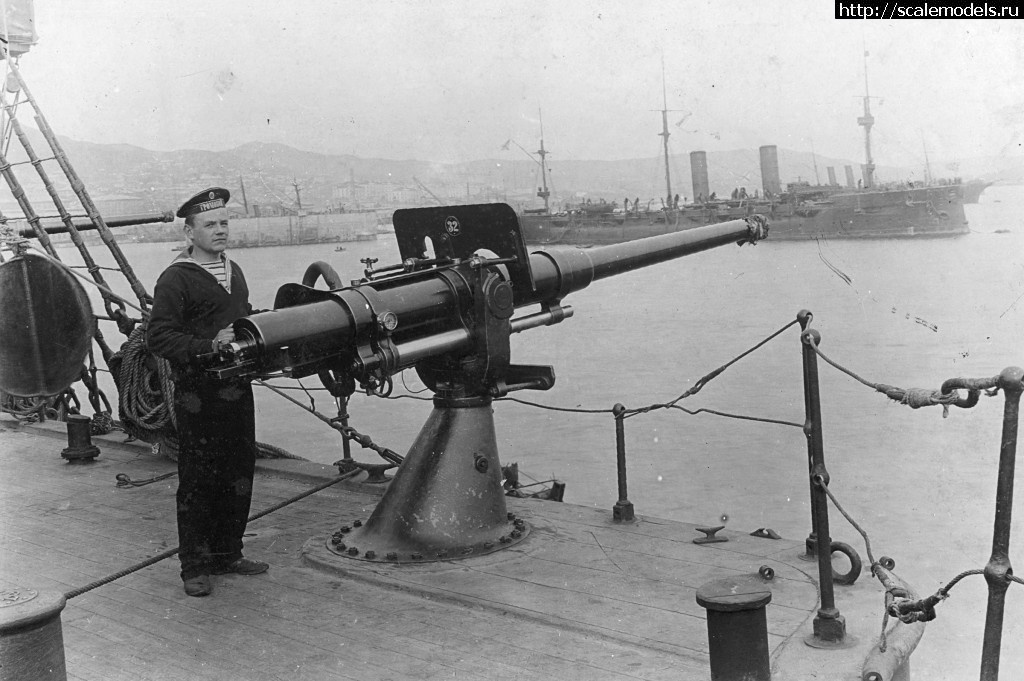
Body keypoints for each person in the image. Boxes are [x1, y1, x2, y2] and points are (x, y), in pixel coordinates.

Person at [147, 187, 268, 597]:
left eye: (224, 223)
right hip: (198, 393)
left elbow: (241, 317)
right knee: (199, 477)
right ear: (189, 232)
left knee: (238, 471)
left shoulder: (235, 271)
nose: (220, 230)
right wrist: (208, 345)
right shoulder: (176, 277)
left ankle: (227, 553)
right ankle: (195, 566)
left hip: (237, 387)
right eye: (210, 224)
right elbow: (159, 336)